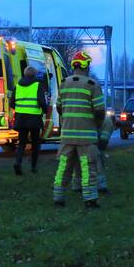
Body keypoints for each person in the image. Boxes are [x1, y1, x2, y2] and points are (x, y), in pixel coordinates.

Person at [52, 51, 106, 208]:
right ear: (86, 65)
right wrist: (97, 126)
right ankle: (90, 200)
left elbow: (59, 107)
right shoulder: (92, 85)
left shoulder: (64, 83)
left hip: (67, 137)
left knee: (63, 168)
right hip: (86, 139)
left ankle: (58, 198)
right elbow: (99, 111)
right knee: (88, 168)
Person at [10, 66, 49, 175]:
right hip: (34, 119)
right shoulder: (37, 85)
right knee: (35, 144)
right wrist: (45, 110)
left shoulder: (17, 86)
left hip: (21, 119)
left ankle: (18, 162)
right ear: (35, 75)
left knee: (22, 143)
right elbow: (41, 101)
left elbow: (11, 103)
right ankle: (33, 167)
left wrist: (19, 109)